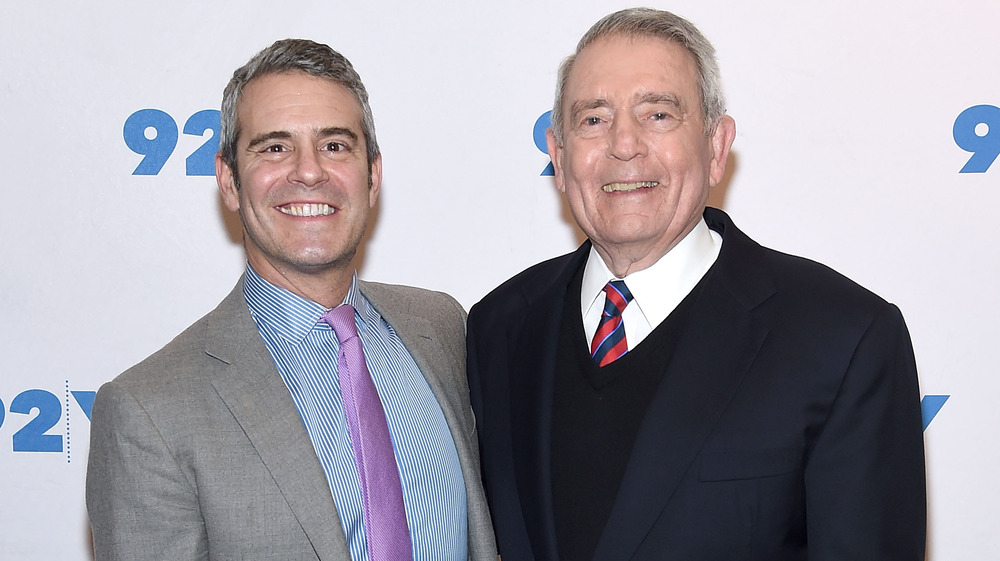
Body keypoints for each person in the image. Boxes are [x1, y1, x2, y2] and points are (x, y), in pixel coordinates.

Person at [467, 8, 925, 561]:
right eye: (593, 120)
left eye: (658, 115)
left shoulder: (843, 338)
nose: (624, 145)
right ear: (559, 159)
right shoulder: (498, 327)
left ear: (715, 146)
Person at [87, 39, 496, 561]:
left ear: (372, 176)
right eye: (274, 147)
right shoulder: (148, 412)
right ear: (228, 181)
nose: (308, 172)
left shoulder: (440, 327)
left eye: (335, 145)